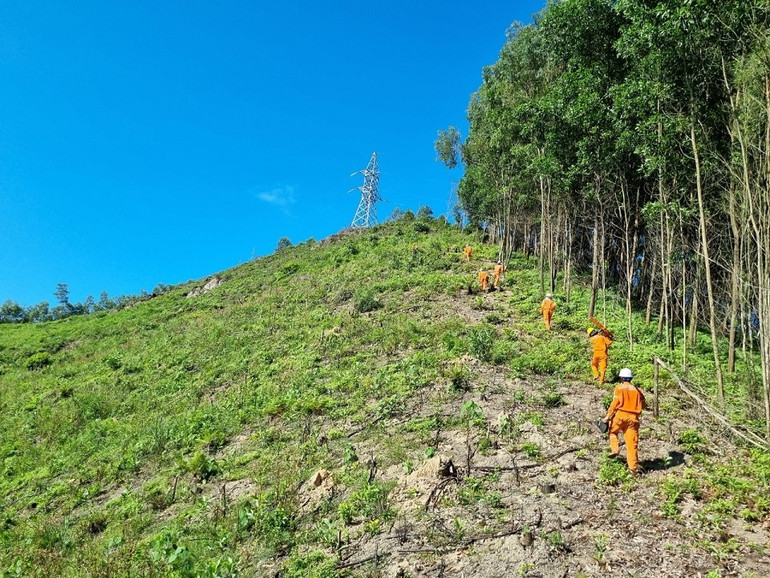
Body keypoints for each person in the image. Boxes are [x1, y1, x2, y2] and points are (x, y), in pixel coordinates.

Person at [602, 368, 647, 474]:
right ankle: (633, 469)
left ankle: (615, 449)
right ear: (631, 378)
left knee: (613, 432)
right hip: (633, 419)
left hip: (620, 416)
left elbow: (614, 404)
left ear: (621, 378)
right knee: (632, 444)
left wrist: (607, 417)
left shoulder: (619, 388)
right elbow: (644, 404)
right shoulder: (637, 390)